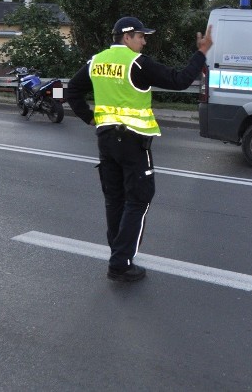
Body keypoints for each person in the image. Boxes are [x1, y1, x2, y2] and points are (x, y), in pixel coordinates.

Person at [65, 16, 213, 282]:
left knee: (115, 199)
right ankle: (120, 263)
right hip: (133, 142)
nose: (144, 42)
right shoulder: (137, 63)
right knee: (139, 199)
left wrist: (89, 117)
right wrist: (201, 53)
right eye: (141, 37)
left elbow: (72, 90)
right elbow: (179, 80)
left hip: (106, 140)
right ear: (127, 37)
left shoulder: (96, 62)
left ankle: (117, 253)